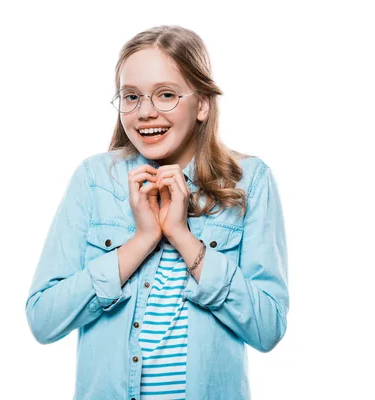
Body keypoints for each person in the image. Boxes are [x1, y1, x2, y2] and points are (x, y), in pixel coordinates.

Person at [25, 25, 289, 400]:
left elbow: (268, 328)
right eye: (131, 97)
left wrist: (182, 237)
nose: (145, 112)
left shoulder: (249, 182)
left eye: (166, 95)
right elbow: (44, 319)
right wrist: (142, 240)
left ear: (202, 104)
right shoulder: (94, 180)